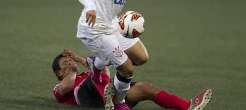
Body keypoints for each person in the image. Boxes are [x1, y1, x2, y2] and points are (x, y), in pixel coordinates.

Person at [74, 0, 148, 110]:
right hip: (94, 29)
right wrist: (90, 6)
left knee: (141, 57)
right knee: (128, 69)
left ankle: (97, 63)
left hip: (111, 24)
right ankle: (119, 103)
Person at [52, 50, 212, 110]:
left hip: (109, 92)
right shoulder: (59, 87)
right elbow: (66, 87)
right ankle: (112, 102)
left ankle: (189, 106)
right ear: (59, 73)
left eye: (70, 61)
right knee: (96, 74)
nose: (70, 64)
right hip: (88, 99)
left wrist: (79, 59)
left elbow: (95, 65)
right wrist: (73, 69)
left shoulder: (86, 74)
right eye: (65, 64)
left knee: (145, 88)